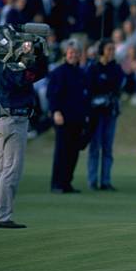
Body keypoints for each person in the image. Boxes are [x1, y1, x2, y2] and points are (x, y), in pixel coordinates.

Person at [0, 34, 48, 228]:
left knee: (1, 168)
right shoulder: (9, 66)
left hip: (6, 118)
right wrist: (33, 56)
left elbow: (38, 73)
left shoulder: (0, 64)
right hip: (14, 118)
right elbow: (26, 77)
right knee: (11, 168)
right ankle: (1, 216)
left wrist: (35, 56)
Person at [47, 39, 90, 194]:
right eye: (71, 52)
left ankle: (67, 183)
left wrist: (86, 116)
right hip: (62, 118)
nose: (73, 55)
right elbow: (52, 95)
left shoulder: (81, 73)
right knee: (62, 151)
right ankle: (57, 183)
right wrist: (56, 111)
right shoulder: (58, 72)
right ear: (66, 53)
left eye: (76, 53)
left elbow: (85, 97)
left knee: (73, 152)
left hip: (77, 118)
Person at [86, 39, 124, 191]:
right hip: (96, 112)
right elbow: (91, 87)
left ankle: (106, 181)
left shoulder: (116, 68)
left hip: (110, 111)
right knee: (95, 147)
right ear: (102, 51)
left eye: (113, 50)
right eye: (109, 49)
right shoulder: (94, 68)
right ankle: (92, 180)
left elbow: (118, 85)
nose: (112, 52)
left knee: (107, 148)